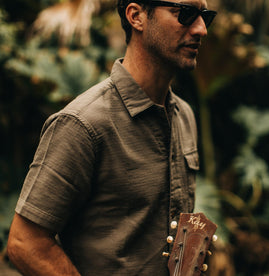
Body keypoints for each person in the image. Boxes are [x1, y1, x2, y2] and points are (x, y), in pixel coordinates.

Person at [7, 0, 216, 275]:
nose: (201, 29)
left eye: (205, 16)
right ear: (136, 16)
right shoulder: (83, 124)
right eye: (186, 14)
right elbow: (25, 243)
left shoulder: (184, 116)